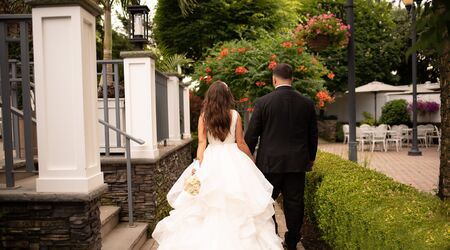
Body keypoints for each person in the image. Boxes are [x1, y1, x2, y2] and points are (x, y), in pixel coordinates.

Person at [152, 81, 283, 250]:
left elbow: (201, 142)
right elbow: (241, 142)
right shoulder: (235, 115)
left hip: (211, 158)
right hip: (234, 160)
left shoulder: (204, 116)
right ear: (227, 96)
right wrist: (251, 159)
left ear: (211, 96)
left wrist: (198, 165)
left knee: (207, 203)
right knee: (238, 199)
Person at [245, 63, 318, 250]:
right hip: (297, 163)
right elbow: (313, 135)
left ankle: (273, 237)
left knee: (267, 201)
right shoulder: (307, 103)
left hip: (269, 163)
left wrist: (248, 158)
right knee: (295, 202)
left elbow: (252, 134)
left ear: (274, 79)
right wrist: (310, 158)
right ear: (292, 79)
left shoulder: (263, 103)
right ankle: (292, 241)